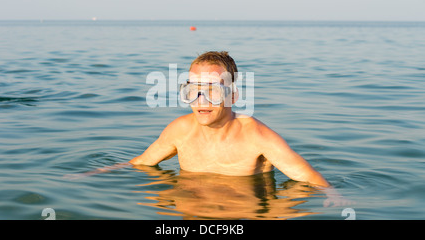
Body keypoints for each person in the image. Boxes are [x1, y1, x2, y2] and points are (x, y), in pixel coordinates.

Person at [65, 51, 351, 207]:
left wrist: (334, 196)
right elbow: (140, 163)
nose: (201, 101)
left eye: (213, 91)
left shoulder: (256, 135)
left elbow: (308, 178)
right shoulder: (179, 130)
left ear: (233, 96)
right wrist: (91, 175)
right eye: (193, 91)